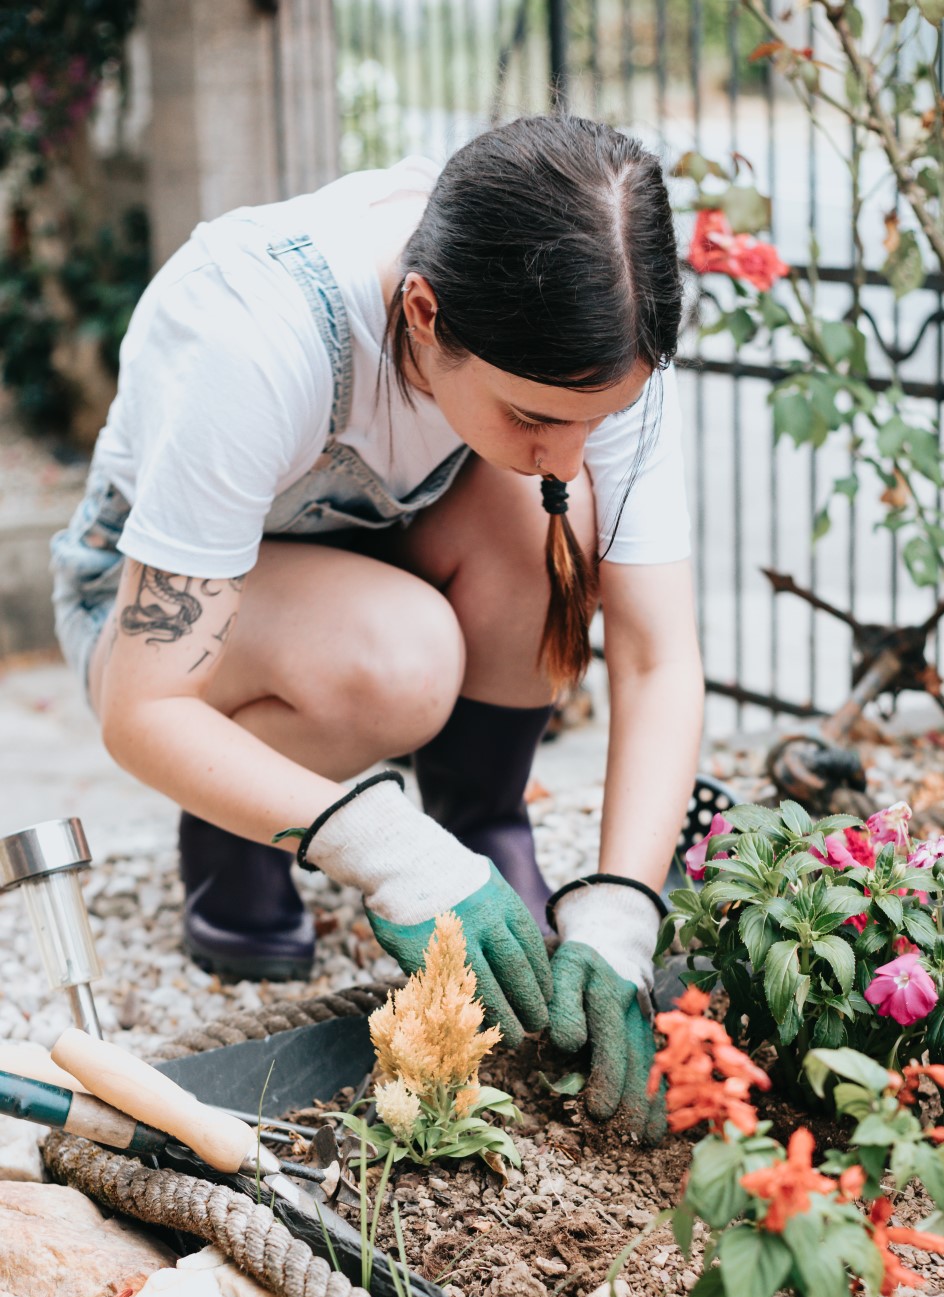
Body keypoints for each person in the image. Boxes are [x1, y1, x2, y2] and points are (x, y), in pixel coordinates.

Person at [51, 114, 704, 1141]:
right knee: (400, 660)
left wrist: (623, 905)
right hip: (148, 623)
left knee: (557, 525)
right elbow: (139, 710)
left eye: (599, 420)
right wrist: (385, 848)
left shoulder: (590, 322)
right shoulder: (255, 335)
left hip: (367, 564)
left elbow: (659, 655)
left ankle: (482, 821)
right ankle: (241, 825)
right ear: (424, 310)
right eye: (536, 417)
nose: (571, 451)